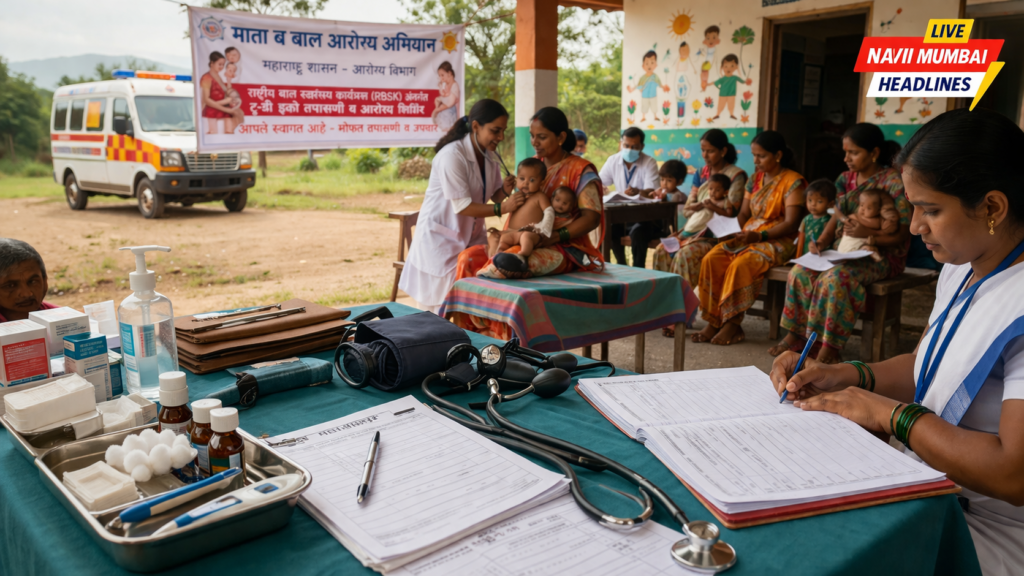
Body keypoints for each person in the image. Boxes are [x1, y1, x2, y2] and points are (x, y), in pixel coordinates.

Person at [770, 109, 1024, 576]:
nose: (914, 227)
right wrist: (846, 375)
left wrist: (891, 415)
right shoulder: (962, 269)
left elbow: (1013, 473)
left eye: (931, 210)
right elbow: (928, 365)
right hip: (930, 486)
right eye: (913, 208)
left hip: (991, 531)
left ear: (992, 207)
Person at [773, 123, 910, 362]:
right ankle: (797, 335)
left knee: (835, 279)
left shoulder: (893, 182)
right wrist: (822, 242)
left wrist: (868, 235)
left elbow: (902, 234)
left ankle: (828, 347)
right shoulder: (845, 179)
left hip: (880, 254)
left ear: (874, 153)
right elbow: (835, 216)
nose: (846, 158)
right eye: (845, 152)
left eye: (853, 152)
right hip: (843, 251)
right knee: (800, 272)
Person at [452, 106, 604, 310]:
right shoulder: (532, 167)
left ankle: (504, 325)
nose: (535, 142)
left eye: (542, 137)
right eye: (532, 136)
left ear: (560, 137)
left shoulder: (580, 170)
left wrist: (557, 236)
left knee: (507, 262)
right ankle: (470, 323)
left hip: (564, 248)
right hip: (518, 237)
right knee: (467, 258)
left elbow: (592, 218)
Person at [399, 99, 520, 313]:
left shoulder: (489, 156)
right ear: (476, 126)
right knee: (436, 313)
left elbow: (493, 196)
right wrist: (504, 208)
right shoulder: (452, 156)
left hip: (471, 238)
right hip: (441, 240)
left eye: (503, 131)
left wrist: (504, 190)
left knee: (469, 306)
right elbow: (463, 206)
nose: (501, 137)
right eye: (495, 131)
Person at [693, 130, 806, 346]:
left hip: (778, 239)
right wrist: (731, 231)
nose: (755, 161)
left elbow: (791, 223)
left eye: (761, 156)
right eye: (754, 155)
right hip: (749, 234)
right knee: (711, 258)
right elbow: (744, 214)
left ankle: (732, 323)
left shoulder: (794, 182)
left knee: (741, 264)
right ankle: (714, 320)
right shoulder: (754, 180)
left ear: (778, 155)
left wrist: (760, 235)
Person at [652, 129, 747, 317]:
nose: (705, 155)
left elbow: (733, 212)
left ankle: (681, 314)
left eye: (710, 151)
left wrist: (707, 207)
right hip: (693, 230)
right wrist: (698, 211)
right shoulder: (701, 174)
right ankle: (662, 309)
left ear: (723, 151)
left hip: (717, 236)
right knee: (661, 251)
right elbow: (688, 210)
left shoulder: (736, 176)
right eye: (703, 150)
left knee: (685, 255)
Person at [599, 127, 661, 268]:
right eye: (626, 146)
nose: (629, 150)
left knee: (638, 233)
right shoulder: (613, 160)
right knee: (608, 229)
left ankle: (639, 270)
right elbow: (599, 182)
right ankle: (621, 265)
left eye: (634, 147)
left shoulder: (649, 162)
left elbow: (652, 191)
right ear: (621, 143)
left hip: (644, 217)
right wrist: (601, 187)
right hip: (620, 215)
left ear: (642, 147)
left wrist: (638, 192)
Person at [487, 158, 552, 262]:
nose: (525, 183)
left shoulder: (540, 197)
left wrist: (545, 228)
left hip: (529, 232)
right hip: (511, 233)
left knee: (526, 237)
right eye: (522, 179)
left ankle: (523, 255)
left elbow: (549, 212)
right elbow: (500, 202)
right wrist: (506, 191)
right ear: (516, 179)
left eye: (532, 180)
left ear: (541, 183)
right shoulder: (517, 196)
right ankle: (496, 255)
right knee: (494, 235)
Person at [0, 238, 57, 323]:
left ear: (45, 280)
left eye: (32, 282)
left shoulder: (64, 321)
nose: (26, 294)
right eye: (10, 285)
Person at [199, 52, 238, 135]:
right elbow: (206, 99)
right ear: (212, 63)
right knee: (213, 133)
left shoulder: (218, 76)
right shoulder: (206, 78)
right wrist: (224, 107)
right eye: (219, 64)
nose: (221, 67)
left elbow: (227, 92)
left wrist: (229, 81)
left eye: (223, 65)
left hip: (222, 107)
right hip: (212, 109)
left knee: (230, 130)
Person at [795, 179, 836, 257]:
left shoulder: (829, 220)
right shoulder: (806, 219)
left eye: (819, 201)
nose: (813, 204)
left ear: (831, 204)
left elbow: (829, 236)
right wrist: (798, 256)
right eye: (810, 200)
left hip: (823, 255)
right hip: (806, 254)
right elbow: (801, 238)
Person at [627, 51, 669, 122]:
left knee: (654, 106)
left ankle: (655, 116)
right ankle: (643, 117)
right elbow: (639, 85)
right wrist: (632, 89)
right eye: (646, 63)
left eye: (652, 63)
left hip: (653, 95)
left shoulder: (655, 77)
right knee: (644, 106)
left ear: (656, 65)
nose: (649, 66)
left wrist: (664, 87)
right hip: (645, 96)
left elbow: (659, 84)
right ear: (643, 66)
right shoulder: (642, 78)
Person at [711, 54, 752, 121]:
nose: (728, 68)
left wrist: (747, 81)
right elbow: (715, 83)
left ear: (736, 67)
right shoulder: (723, 78)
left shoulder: (734, 77)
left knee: (731, 105)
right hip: (723, 94)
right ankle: (717, 114)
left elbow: (742, 81)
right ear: (722, 67)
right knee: (721, 105)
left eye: (732, 66)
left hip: (731, 94)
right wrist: (707, 84)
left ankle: (731, 114)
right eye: (726, 66)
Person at [431, 62, 460, 132]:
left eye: (442, 75)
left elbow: (452, 101)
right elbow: (443, 94)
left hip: (450, 110)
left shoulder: (455, 85)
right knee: (437, 100)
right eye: (440, 76)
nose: (441, 78)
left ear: (449, 73)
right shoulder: (445, 84)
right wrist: (442, 88)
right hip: (445, 107)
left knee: (447, 128)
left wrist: (439, 109)